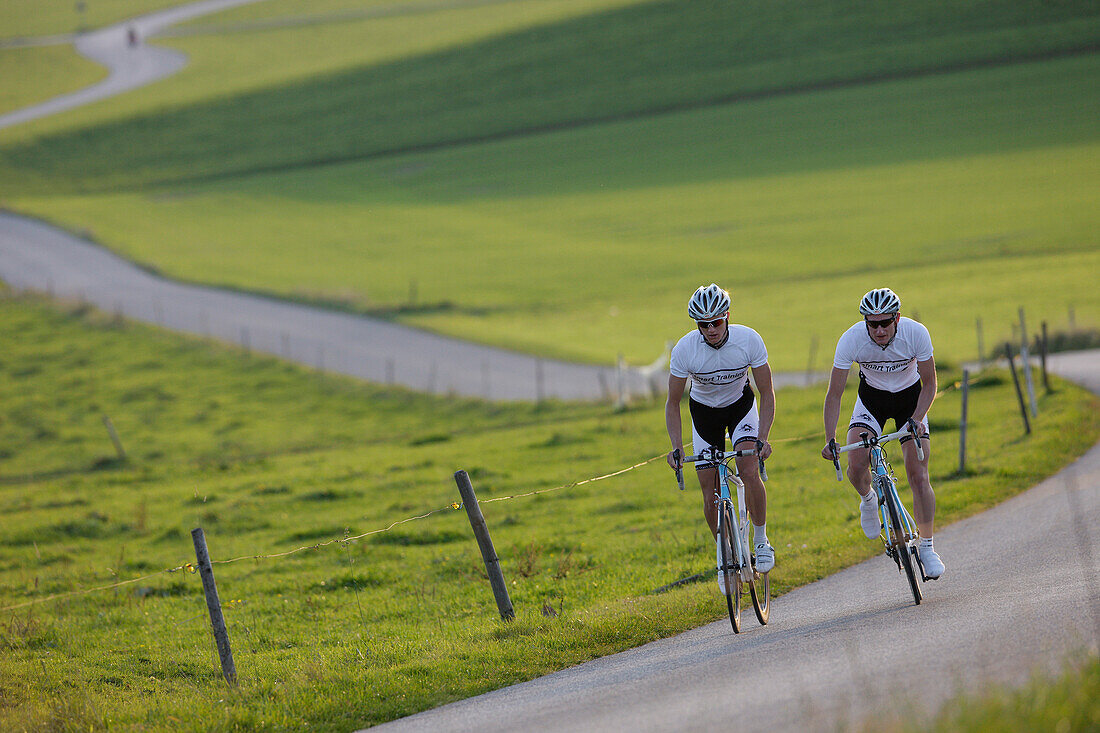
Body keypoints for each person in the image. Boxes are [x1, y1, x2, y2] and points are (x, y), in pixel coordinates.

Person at [820, 288, 944, 578]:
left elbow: (929, 384)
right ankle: (868, 500)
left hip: (911, 401)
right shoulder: (851, 339)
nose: (878, 330)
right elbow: (835, 393)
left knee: (918, 474)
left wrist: (916, 419)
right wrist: (829, 437)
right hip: (871, 400)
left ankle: (927, 547)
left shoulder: (916, 333)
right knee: (856, 464)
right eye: (872, 324)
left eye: (885, 323)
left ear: (897, 318)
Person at [666, 284, 776, 589]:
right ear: (697, 325)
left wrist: (763, 437)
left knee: (748, 469)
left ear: (727, 316)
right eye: (704, 324)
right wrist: (676, 447)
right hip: (704, 414)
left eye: (716, 322)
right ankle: (725, 553)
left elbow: (767, 393)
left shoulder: (748, 339)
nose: (711, 329)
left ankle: (762, 539)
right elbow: (673, 403)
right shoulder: (685, 349)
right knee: (708, 489)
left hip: (741, 406)